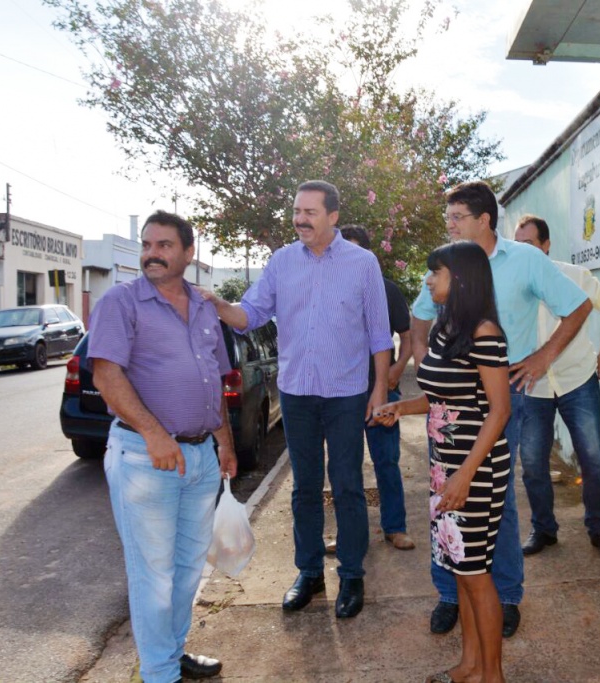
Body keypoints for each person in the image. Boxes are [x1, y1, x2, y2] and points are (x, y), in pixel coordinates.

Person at [411, 181, 592, 638]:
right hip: (451, 406)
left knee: (495, 498)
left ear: (485, 219)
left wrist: (543, 357)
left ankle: (506, 594)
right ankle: (450, 594)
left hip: (502, 399)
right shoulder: (449, 264)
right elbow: (419, 316)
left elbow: (579, 306)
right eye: (448, 218)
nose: (450, 225)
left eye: (457, 218)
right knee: (444, 496)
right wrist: (428, 367)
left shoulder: (525, 259)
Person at [205, 181, 392, 619]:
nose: (300, 219)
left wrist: (380, 389)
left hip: (346, 394)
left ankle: (351, 574)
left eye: (310, 212)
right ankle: (309, 573)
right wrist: (215, 303)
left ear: (333, 216)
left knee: (347, 485)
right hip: (296, 394)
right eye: (296, 211)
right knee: (304, 487)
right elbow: (250, 314)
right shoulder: (282, 261)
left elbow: (380, 333)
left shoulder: (362, 263)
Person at [88, 210, 237, 683]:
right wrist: (154, 433)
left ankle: (172, 655)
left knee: (188, 568)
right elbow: (106, 374)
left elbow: (214, 380)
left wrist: (225, 444)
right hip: (146, 457)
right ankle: (158, 674)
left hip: (200, 457)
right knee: (153, 574)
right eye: (147, 245)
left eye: (164, 245)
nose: (152, 254)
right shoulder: (122, 301)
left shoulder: (205, 307)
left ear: (188, 253)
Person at [374, 241, 510, 683]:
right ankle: (470, 665)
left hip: (476, 470)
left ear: (462, 279)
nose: (429, 280)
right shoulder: (446, 328)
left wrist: (465, 476)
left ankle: (492, 676)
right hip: (444, 469)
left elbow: (499, 410)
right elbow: (439, 397)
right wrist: (401, 408)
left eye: (437, 272)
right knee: (460, 570)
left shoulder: (485, 333)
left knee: (476, 573)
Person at [513, 215, 600, 556]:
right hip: (532, 386)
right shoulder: (510, 283)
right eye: (517, 245)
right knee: (533, 463)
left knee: (592, 459)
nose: (522, 251)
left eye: (529, 244)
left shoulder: (575, 276)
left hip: (578, 380)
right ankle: (544, 529)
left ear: (546, 245)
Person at [339, 224, 415, 551]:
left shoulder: (387, 290)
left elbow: (408, 337)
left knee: (386, 462)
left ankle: (395, 528)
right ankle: (349, 533)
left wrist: (397, 369)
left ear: (368, 255)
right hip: (342, 395)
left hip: (382, 391)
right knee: (345, 468)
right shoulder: (330, 290)